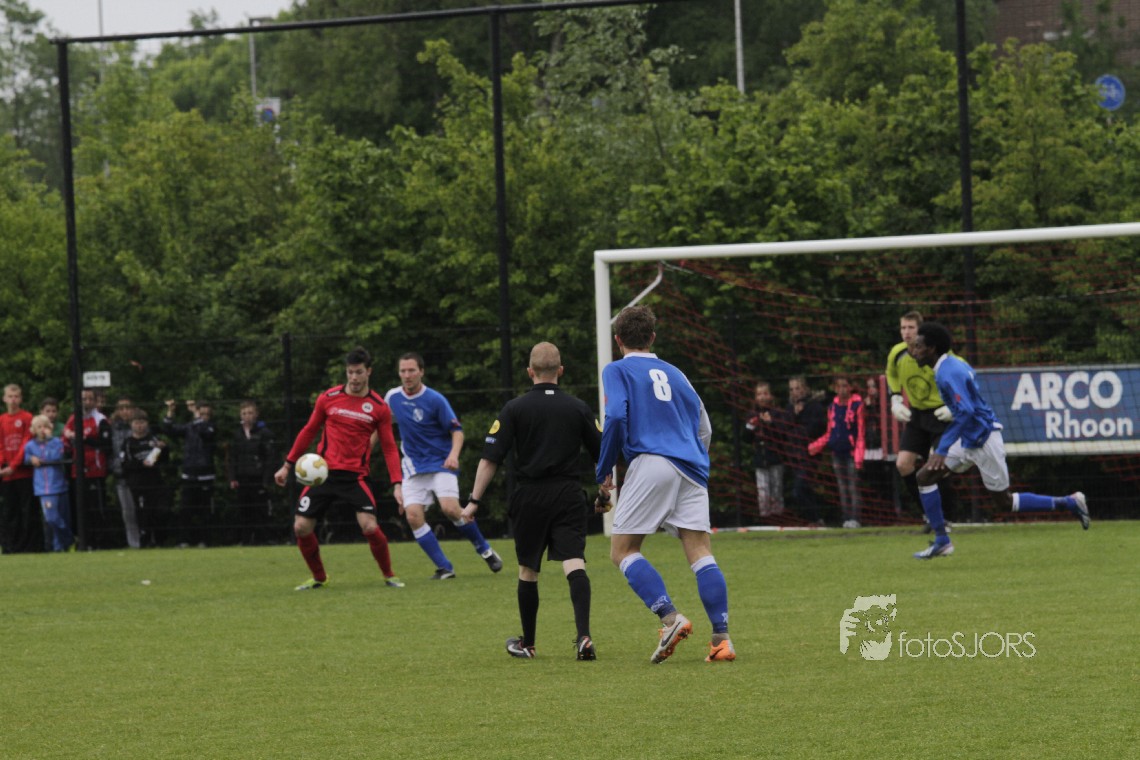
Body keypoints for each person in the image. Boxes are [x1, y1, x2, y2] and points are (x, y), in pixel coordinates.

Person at [596, 305, 734, 664]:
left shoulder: (616, 369)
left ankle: (670, 619)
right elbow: (704, 427)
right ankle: (721, 640)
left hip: (653, 461)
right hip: (692, 466)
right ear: (653, 337)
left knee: (622, 550)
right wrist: (693, 457)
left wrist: (604, 468)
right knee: (700, 551)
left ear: (618, 339)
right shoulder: (676, 373)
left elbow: (615, 416)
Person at [462, 342, 603, 660]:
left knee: (528, 569)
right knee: (574, 561)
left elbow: (490, 459)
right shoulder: (578, 407)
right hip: (568, 494)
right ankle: (584, 636)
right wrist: (605, 491)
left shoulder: (514, 408)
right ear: (561, 371)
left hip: (530, 496)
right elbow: (602, 454)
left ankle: (528, 644)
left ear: (530, 372)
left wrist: (474, 501)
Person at [909, 322, 1090, 559]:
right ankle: (942, 541)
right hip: (968, 439)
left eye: (918, 346)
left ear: (932, 348)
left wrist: (942, 449)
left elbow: (967, 411)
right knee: (924, 477)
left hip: (984, 439)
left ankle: (1069, 502)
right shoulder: (951, 365)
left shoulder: (947, 372)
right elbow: (968, 402)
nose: (913, 351)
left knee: (1004, 502)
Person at [274, 346, 406, 590]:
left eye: (358, 372)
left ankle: (389, 575)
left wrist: (397, 484)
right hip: (323, 475)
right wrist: (287, 465)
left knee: (369, 525)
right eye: (350, 372)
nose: (354, 378)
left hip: (356, 477)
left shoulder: (378, 407)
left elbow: (389, 447)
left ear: (368, 372)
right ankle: (319, 578)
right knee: (301, 527)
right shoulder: (328, 398)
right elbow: (309, 431)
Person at [384, 352, 502, 578]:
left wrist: (453, 455)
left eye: (411, 370)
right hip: (413, 467)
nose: (407, 375)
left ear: (421, 372)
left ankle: (485, 550)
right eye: (403, 371)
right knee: (413, 516)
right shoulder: (392, 397)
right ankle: (445, 568)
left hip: (440, 463)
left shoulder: (435, 399)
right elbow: (381, 424)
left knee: (450, 508)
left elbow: (457, 431)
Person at [886, 311, 957, 525]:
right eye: (903, 328)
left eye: (911, 328)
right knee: (903, 464)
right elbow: (891, 373)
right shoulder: (897, 353)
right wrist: (895, 398)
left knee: (936, 467)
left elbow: (961, 374)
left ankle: (948, 515)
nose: (906, 332)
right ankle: (929, 514)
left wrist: (953, 406)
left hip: (940, 415)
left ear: (921, 332)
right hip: (917, 415)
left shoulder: (939, 353)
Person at [808, 375, 865, 528]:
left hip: (851, 452)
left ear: (850, 387)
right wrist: (816, 445)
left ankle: (856, 518)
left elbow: (860, 433)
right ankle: (846, 517)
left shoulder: (857, 405)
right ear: (834, 388)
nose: (842, 389)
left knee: (853, 486)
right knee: (842, 487)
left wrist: (859, 455)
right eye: (839, 386)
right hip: (836, 452)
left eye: (845, 386)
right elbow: (830, 432)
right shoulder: (832, 407)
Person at [63, 388, 115, 548]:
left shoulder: (101, 420)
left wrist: (85, 439)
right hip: (77, 470)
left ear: (95, 401)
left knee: (97, 508)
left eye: (90, 399)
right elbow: (65, 435)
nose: (86, 402)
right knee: (80, 508)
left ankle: (101, 542)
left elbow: (106, 445)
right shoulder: (73, 418)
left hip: (95, 470)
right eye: (83, 399)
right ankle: (84, 542)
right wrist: (69, 435)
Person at [162, 399, 217, 546]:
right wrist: (171, 411)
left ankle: (205, 540)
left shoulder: (211, 427)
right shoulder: (189, 427)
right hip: (189, 474)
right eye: (201, 413)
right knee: (185, 510)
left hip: (206, 475)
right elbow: (169, 429)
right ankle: (184, 540)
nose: (203, 417)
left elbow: (205, 433)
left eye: (206, 414)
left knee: (205, 510)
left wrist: (196, 415)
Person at [225, 400, 277, 545]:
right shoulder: (237, 434)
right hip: (242, 478)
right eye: (244, 413)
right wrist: (232, 478)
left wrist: (266, 480)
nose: (247, 416)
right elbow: (232, 458)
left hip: (258, 478)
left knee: (261, 510)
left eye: (250, 413)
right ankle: (246, 540)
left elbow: (270, 458)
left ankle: (264, 539)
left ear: (256, 414)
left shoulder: (265, 433)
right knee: (244, 511)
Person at [741, 380, 792, 517]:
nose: (762, 397)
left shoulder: (778, 414)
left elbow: (783, 436)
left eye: (765, 394)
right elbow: (746, 438)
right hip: (760, 460)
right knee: (763, 492)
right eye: (759, 394)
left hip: (776, 459)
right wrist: (750, 426)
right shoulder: (752, 415)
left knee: (776, 491)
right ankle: (765, 517)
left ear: (771, 396)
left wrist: (771, 424)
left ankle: (778, 517)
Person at [119, 409, 170, 547]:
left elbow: (164, 460)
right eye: (136, 423)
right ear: (131, 424)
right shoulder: (128, 443)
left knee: (160, 511)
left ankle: (160, 540)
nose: (140, 426)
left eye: (142, 422)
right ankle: (145, 541)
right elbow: (125, 464)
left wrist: (164, 449)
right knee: (143, 513)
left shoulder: (153, 440)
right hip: (138, 483)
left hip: (155, 481)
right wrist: (141, 464)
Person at [24, 415, 73, 552]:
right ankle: (69, 538)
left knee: (62, 517)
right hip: (44, 488)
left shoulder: (56, 442)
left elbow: (56, 456)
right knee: (52, 518)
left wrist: (50, 441)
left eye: (45, 426)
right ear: (34, 430)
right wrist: (31, 459)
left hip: (59, 484)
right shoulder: (30, 445)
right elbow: (25, 458)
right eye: (39, 427)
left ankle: (59, 547)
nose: (42, 430)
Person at [0, 383, 39, 553]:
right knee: (9, 511)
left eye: (16, 396)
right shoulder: (1, 420)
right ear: (4, 398)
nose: (13, 400)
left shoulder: (27, 417)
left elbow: (26, 444)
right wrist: (3, 465)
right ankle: (10, 547)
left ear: (21, 398)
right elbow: (1, 445)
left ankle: (29, 547)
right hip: (6, 475)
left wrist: (14, 465)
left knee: (28, 510)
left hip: (24, 473)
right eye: (10, 396)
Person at [785, 375, 827, 525]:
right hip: (794, 455)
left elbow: (814, 429)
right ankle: (816, 519)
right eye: (791, 389)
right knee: (805, 489)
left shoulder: (815, 407)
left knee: (799, 488)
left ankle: (814, 518)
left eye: (797, 388)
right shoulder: (789, 408)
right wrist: (795, 415)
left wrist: (798, 426)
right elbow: (786, 429)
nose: (795, 392)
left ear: (805, 389)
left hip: (810, 455)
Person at [108, 397, 142, 549]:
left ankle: (147, 539)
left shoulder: (140, 425)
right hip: (122, 476)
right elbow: (110, 452)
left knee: (142, 509)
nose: (125, 411)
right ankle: (134, 543)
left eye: (128, 408)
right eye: (121, 408)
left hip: (140, 475)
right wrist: (117, 468)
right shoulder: (112, 429)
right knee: (128, 512)